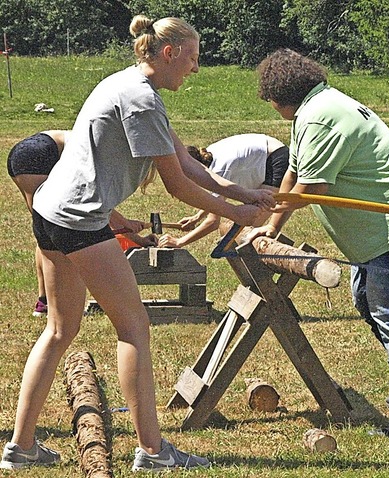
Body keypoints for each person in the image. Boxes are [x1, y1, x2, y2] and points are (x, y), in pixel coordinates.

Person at [0, 15, 273, 472]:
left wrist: (244, 193)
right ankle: (152, 451)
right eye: (192, 58)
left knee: (60, 330)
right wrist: (241, 216)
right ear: (168, 53)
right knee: (134, 327)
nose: (196, 68)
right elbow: (178, 187)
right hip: (79, 221)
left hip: (49, 211)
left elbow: (186, 162)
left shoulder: (125, 83)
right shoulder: (142, 101)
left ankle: (21, 448)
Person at [251, 48, 389, 438]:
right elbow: (296, 171)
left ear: (278, 94)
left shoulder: (321, 116)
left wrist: (262, 220)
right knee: (367, 300)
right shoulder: (317, 107)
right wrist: (271, 227)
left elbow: (312, 187)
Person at [7, 131, 158, 318]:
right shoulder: (102, 158)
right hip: (41, 155)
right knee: (51, 231)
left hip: (22, 153)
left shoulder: (101, 144)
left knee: (45, 231)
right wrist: (134, 234)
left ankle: (44, 302)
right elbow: (98, 206)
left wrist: (135, 235)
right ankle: (50, 304)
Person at [158, 133, 289, 248]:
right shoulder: (208, 156)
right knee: (243, 228)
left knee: (251, 223)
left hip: (275, 158)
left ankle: (261, 260)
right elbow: (216, 199)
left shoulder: (218, 171)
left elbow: (213, 222)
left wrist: (179, 242)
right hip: (271, 149)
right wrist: (197, 217)